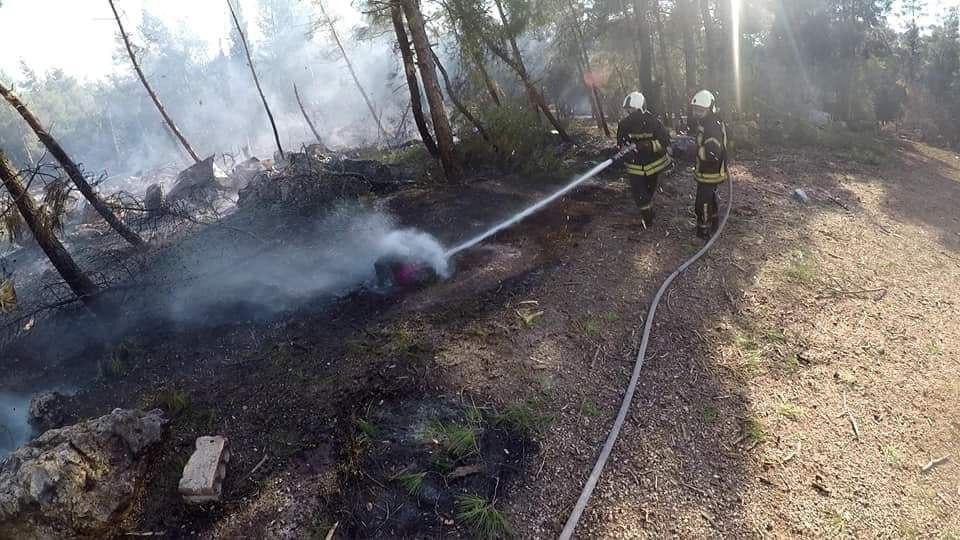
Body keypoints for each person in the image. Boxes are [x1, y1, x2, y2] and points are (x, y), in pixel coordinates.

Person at [617, 91, 672, 228]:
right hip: (635, 166)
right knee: (639, 193)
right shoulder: (624, 124)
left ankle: (647, 207)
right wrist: (624, 151)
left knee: (649, 190)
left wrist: (647, 145)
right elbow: (620, 142)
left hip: (653, 164)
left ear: (641, 108)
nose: (629, 113)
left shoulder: (654, 123)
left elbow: (665, 142)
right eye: (628, 110)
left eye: (632, 110)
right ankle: (648, 217)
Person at [690, 90, 728, 239]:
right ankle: (714, 221)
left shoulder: (712, 126)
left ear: (710, 108)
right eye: (695, 109)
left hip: (710, 172)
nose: (697, 113)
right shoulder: (708, 121)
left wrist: (694, 151)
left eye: (700, 110)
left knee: (702, 202)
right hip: (708, 171)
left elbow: (712, 154)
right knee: (710, 196)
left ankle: (703, 230)